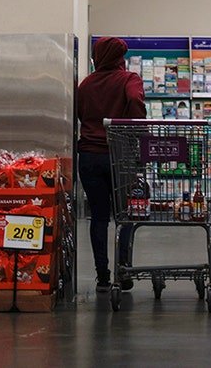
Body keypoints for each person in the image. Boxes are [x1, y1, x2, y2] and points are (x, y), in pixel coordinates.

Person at [77, 36, 146, 292]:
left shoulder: (85, 84)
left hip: (89, 156)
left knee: (98, 217)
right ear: (119, 58)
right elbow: (136, 101)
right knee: (124, 216)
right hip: (119, 155)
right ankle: (124, 269)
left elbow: (81, 113)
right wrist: (134, 131)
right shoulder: (129, 79)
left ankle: (102, 275)